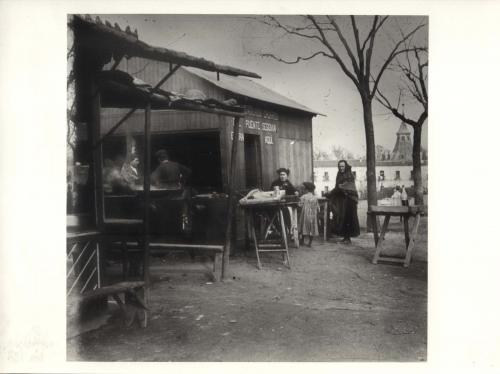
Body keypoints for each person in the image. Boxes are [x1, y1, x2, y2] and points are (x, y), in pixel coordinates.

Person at [326, 160, 360, 244]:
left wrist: (330, 193)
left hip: (350, 200)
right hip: (343, 200)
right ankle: (345, 238)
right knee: (342, 218)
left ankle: (347, 239)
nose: (341, 168)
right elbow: (338, 187)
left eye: (342, 166)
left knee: (348, 219)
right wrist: (331, 193)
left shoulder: (349, 175)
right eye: (340, 166)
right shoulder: (339, 174)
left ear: (346, 166)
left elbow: (344, 187)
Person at [298, 181, 320, 247]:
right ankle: (310, 243)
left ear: (306, 190)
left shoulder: (303, 197)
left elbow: (299, 205)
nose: (303, 190)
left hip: (305, 215)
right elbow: (318, 207)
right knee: (312, 227)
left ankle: (302, 241)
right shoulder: (315, 197)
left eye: (303, 189)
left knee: (303, 226)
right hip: (312, 215)